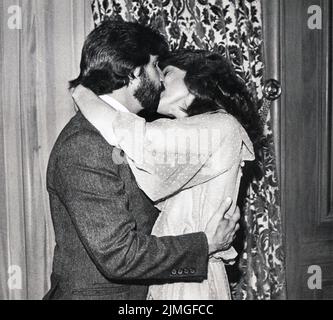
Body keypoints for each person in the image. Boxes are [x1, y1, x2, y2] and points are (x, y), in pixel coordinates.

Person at [44, 20, 240, 300]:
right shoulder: (84, 145)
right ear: (134, 73)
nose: (160, 79)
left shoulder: (135, 133)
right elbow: (119, 255)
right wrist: (206, 245)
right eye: (156, 66)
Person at [72, 49, 262, 299]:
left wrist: (83, 93)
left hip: (190, 282)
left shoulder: (219, 125)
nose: (159, 80)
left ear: (197, 77)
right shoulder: (191, 131)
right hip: (180, 270)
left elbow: (129, 133)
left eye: (167, 72)